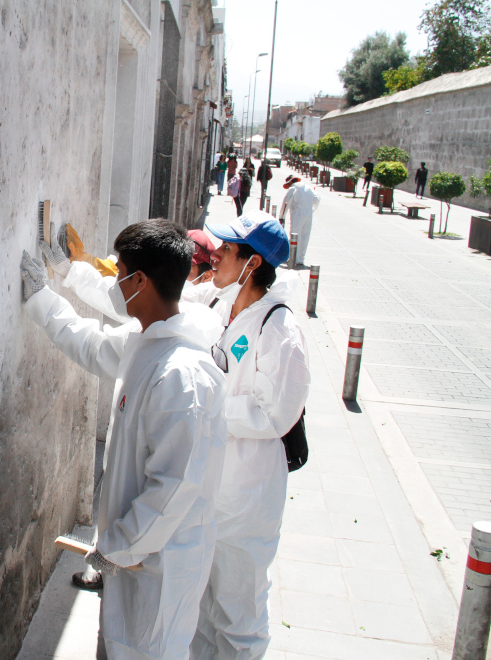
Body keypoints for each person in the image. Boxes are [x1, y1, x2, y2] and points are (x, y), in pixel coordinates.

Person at [24, 220, 228, 659]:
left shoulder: (181, 378)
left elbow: (173, 488)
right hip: (137, 558)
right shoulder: (147, 343)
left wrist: (117, 548)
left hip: (159, 567)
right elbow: (92, 344)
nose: (112, 282)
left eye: (118, 273)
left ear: (140, 281)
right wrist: (41, 298)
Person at [190, 213, 311, 660]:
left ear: (252, 263)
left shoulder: (279, 331)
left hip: (247, 497)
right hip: (212, 486)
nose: (215, 254)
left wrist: (206, 403)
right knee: (201, 611)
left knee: (238, 616)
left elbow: (274, 414)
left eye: (227, 249)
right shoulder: (220, 304)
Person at [279, 175, 320, 266]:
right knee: (305, 236)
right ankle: (300, 259)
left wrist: (282, 216)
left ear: (290, 182)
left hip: (297, 213)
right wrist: (313, 208)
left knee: (294, 235)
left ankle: (293, 258)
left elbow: (286, 203)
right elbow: (317, 198)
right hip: (309, 213)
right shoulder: (308, 187)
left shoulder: (293, 188)